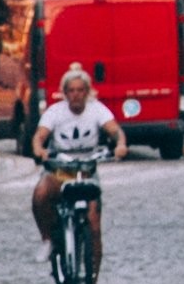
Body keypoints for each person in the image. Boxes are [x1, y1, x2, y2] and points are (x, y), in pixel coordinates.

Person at [27, 64, 118, 268]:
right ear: (65, 93)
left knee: (94, 227)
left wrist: (120, 144)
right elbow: (39, 136)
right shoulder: (55, 112)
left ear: (87, 92)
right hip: (59, 172)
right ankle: (47, 239)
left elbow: (114, 130)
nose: (76, 95)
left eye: (80, 90)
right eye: (71, 90)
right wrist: (39, 149)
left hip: (86, 173)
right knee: (40, 194)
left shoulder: (97, 109)